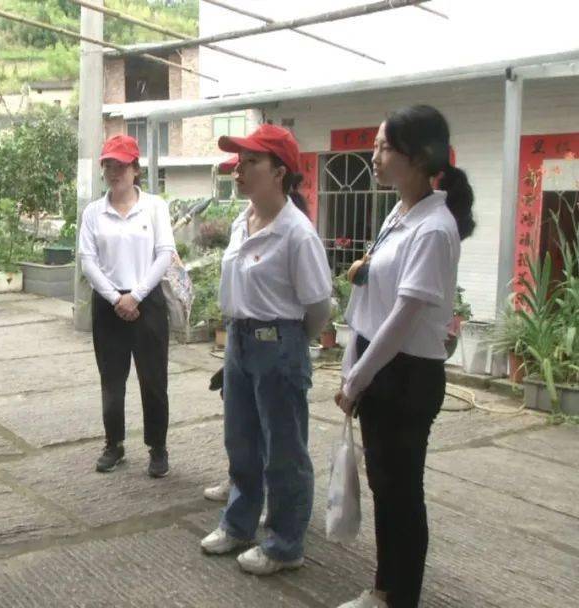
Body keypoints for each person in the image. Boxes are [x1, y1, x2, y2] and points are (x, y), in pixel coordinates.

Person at [334, 105, 473, 608]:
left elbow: (403, 318)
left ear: (417, 157)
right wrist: (352, 364)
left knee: (400, 494)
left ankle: (400, 596)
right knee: (384, 489)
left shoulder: (434, 228)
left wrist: (356, 382)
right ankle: (384, 589)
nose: (373, 156)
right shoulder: (400, 213)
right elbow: (370, 298)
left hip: (406, 376)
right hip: (379, 366)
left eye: (383, 147)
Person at [199, 124, 332, 576]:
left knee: (284, 451)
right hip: (239, 342)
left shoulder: (297, 234)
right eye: (239, 161)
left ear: (279, 172)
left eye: (250, 161)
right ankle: (238, 523)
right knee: (241, 440)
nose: (239, 170)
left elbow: (318, 307)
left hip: (278, 345)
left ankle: (284, 543)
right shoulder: (244, 219)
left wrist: (289, 345)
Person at [78, 134, 176, 478]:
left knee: (153, 379)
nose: (114, 171)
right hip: (108, 306)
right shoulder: (94, 212)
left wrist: (135, 295)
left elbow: (165, 253)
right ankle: (114, 444)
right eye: (108, 165)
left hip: (146, 302)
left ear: (136, 169)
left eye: (121, 165)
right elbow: (88, 261)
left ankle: (158, 447)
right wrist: (115, 298)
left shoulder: (155, 206)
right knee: (112, 379)